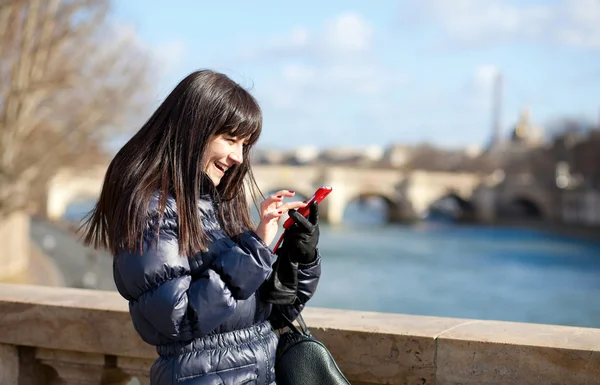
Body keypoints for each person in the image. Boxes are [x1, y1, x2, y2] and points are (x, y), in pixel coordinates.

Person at [80, 70, 322, 385]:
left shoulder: (216, 205)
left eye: (245, 144)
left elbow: (272, 315)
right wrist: (253, 251)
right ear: (194, 130)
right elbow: (177, 317)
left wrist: (297, 255)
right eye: (230, 139)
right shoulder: (153, 210)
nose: (238, 157)